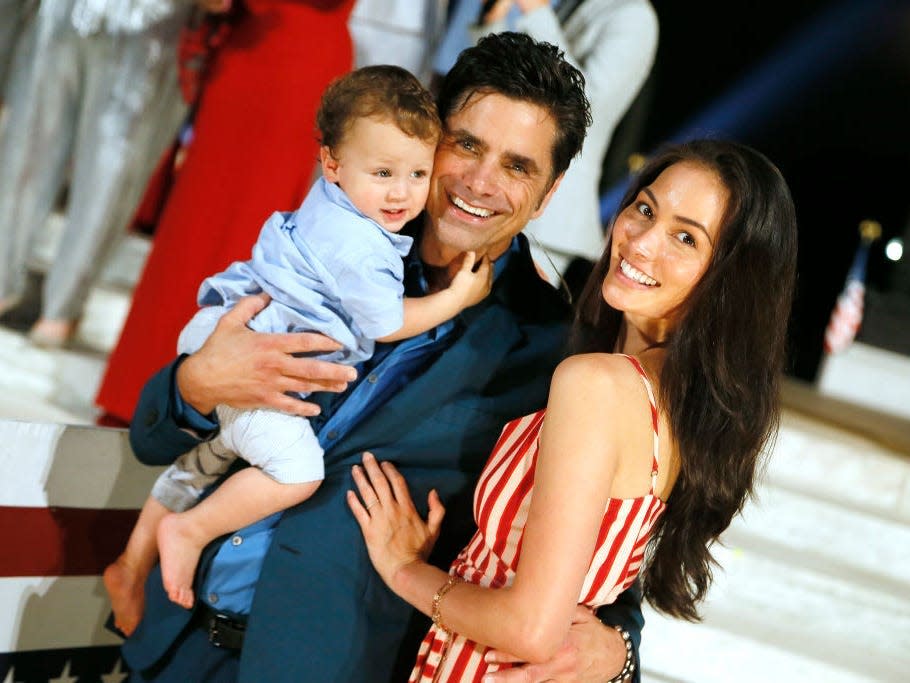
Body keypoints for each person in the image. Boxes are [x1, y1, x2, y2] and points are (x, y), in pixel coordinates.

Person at [120, 32, 645, 682]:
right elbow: (150, 432)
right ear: (428, 135)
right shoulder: (327, 245)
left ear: (549, 191)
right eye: (467, 145)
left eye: (517, 166)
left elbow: (610, 555)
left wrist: (613, 651)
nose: (480, 182)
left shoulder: (555, 352)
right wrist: (197, 383)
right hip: (173, 644)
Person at [348, 137, 799, 680]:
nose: (641, 242)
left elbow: (529, 630)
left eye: (685, 238)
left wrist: (403, 569)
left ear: (728, 279)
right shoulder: (675, 402)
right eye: (645, 209)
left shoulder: (598, 385)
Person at [103, 64, 493, 635]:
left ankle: (132, 561)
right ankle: (189, 530)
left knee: (210, 457)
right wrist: (458, 298)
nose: (401, 192)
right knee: (297, 471)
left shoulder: (334, 202)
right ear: (332, 163)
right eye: (383, 172)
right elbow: (386, 321)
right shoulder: (363, 244)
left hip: (224, 322)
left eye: (416, 172)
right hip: (252, 353)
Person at [94, 0, 356, 422]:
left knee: (239, 238)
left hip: (290, 61)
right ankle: (143, 396)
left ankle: (194, 405)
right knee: (190, 235)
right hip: (249, 52)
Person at [0, 0, 190, 343]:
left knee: (102, 162)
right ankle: (28, 293)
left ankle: (57, 304)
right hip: (84, 15)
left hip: (142, 20)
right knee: (39, 147)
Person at [433, 0, 659, 285]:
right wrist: (494, 20)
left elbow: (590, 110)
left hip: (553, 228)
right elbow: (503, 88)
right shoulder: (572, 5)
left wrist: (536, 12)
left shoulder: (635, 16)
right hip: (494, 203)